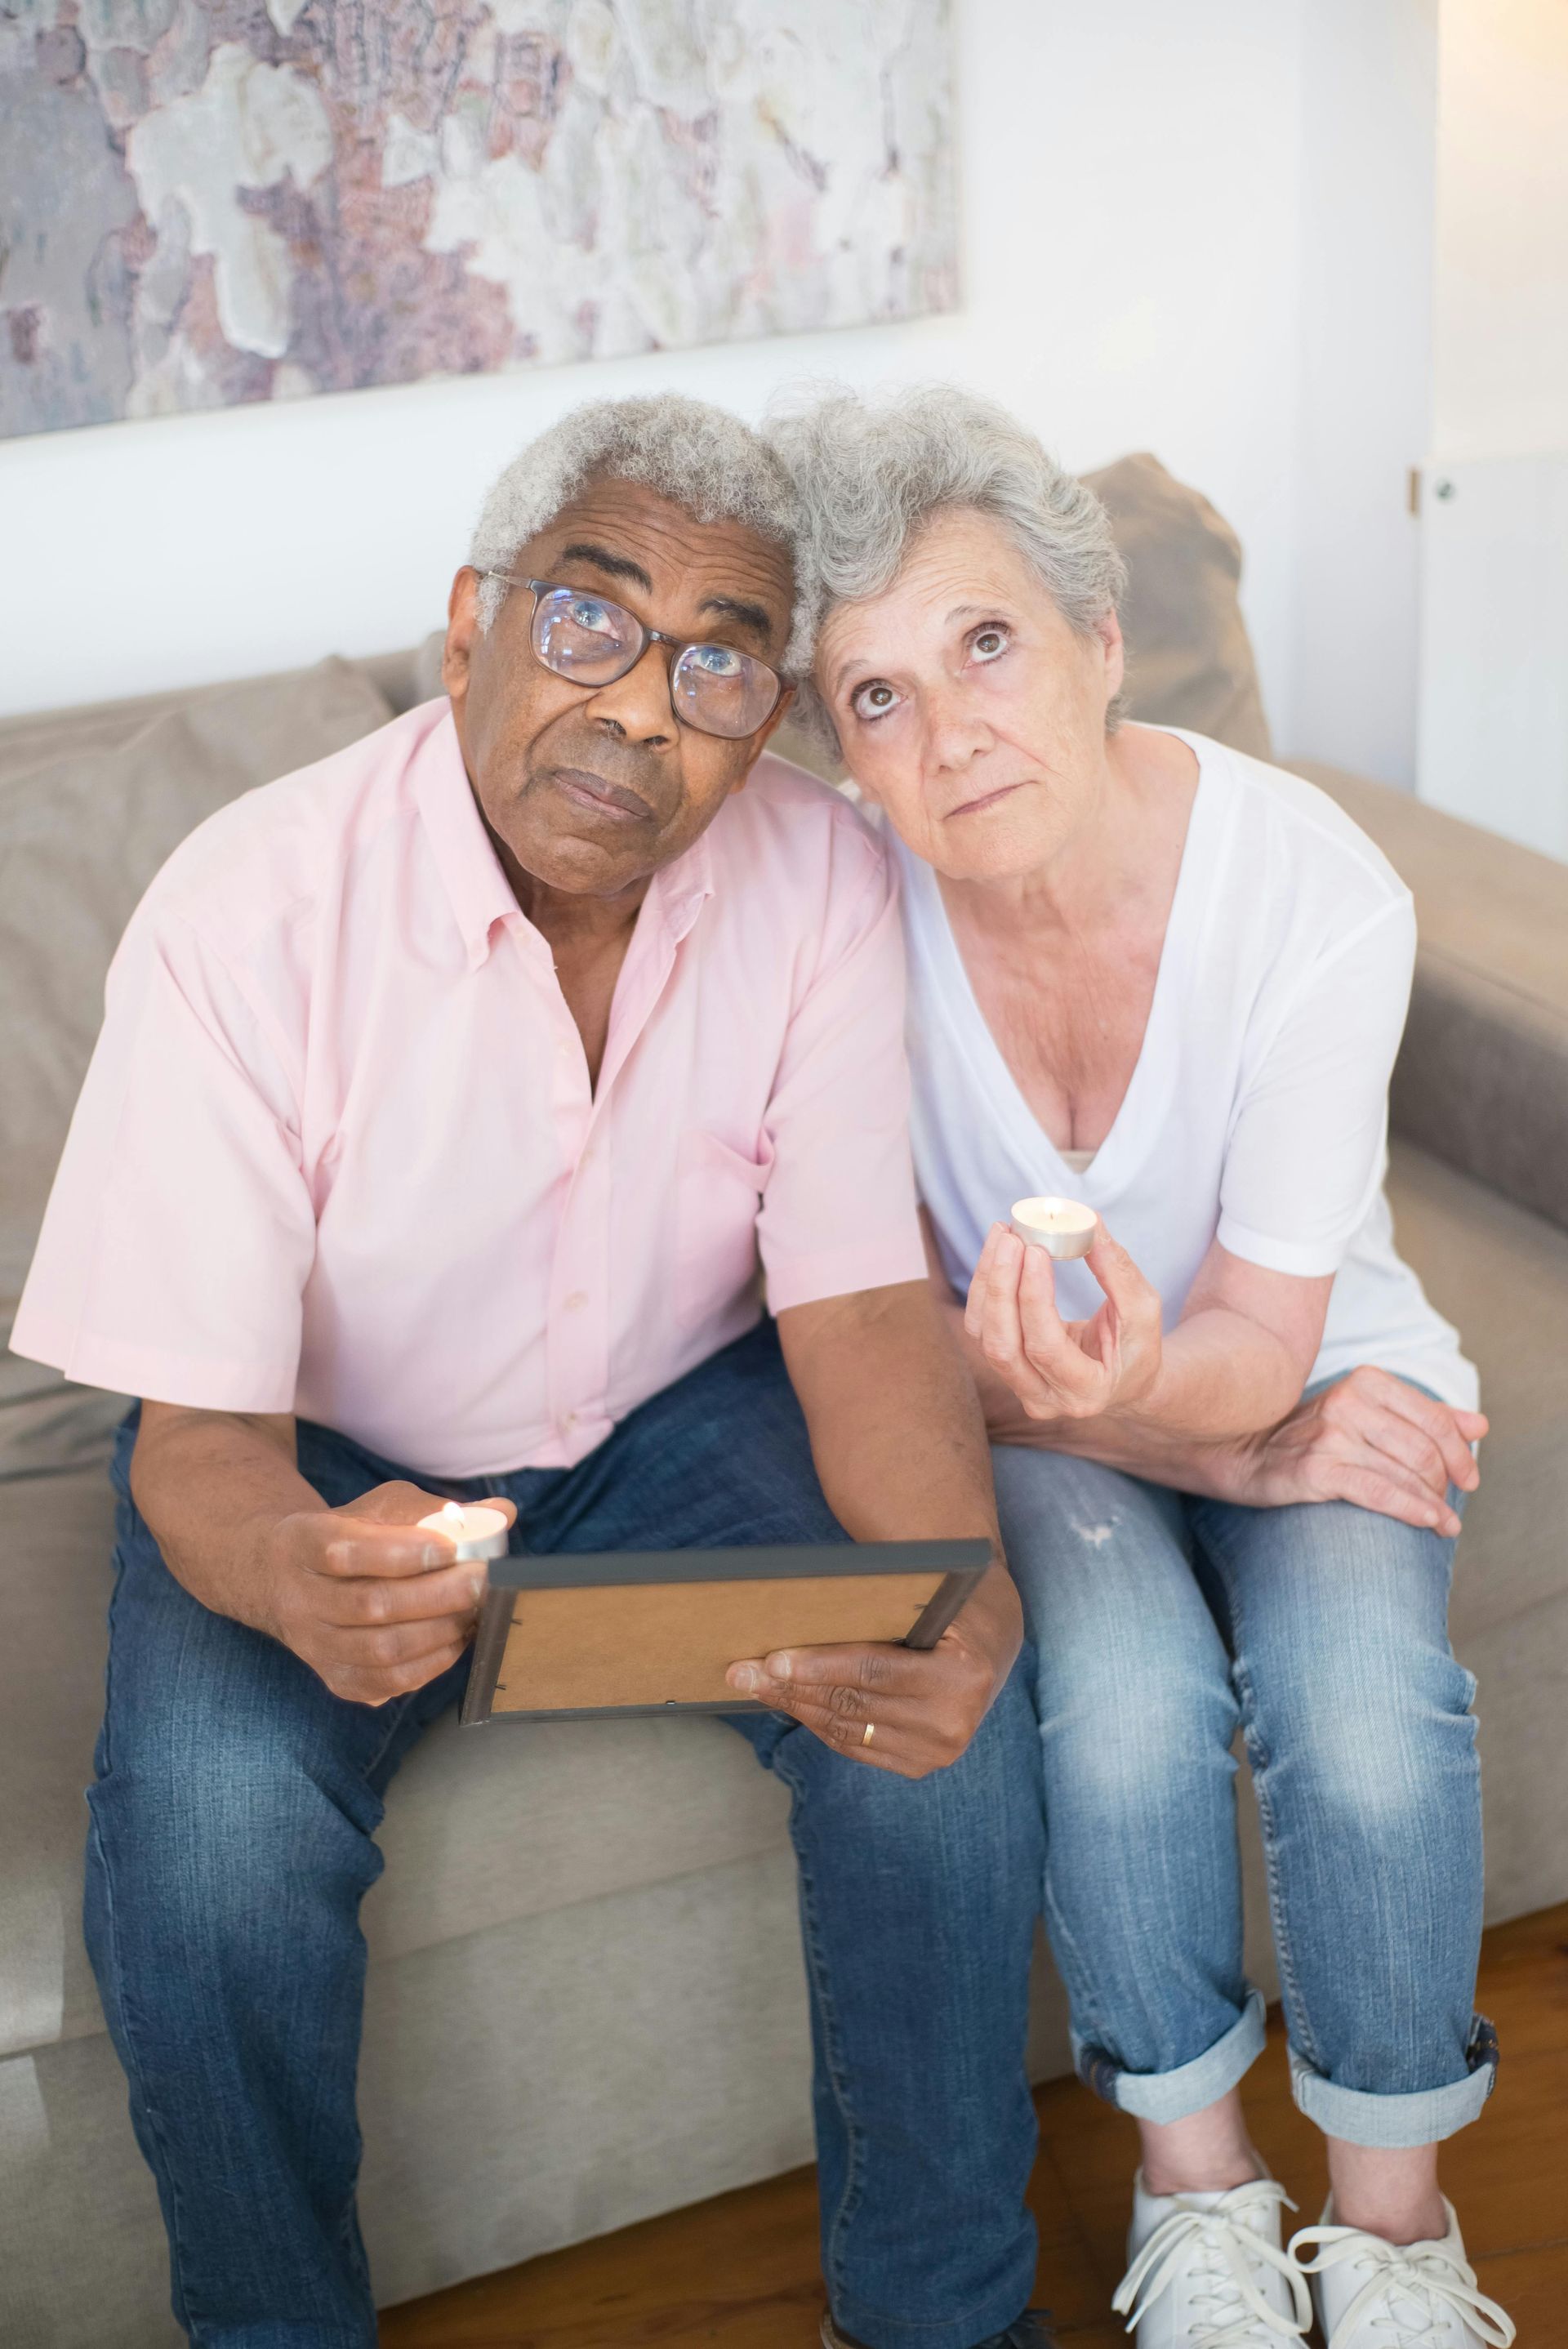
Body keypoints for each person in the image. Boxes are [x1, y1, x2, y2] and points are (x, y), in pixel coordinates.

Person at [12, 395, 1056, 2349]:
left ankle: (941, 2321)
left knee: (945, 1714)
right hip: (322, 1445)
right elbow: (198, 1439)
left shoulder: (821, 880)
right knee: (211, 1854)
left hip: (684, 1406)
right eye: (591, 624)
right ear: (469, 625)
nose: (647, 712)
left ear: (769, 721)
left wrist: (956, 1587)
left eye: (722, 667)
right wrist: (290, 1566)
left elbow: (850, 1306)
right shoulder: (248, 916)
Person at [770, 384, 1517, 2349]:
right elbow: (860, 1330)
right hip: (1043, 1406)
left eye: (987, 642)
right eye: (875, 696)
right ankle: (1198, 2197)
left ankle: (1393, 2228)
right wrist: (1175, 1443)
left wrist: (1202, 1423)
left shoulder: (1315, 894)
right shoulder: (838, 919)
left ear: (1103, 640)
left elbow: (1269, 1342)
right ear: (843, 754)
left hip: (1308, 1364)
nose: (947, 733)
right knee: (1116, 1704)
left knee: (1361, 1711)